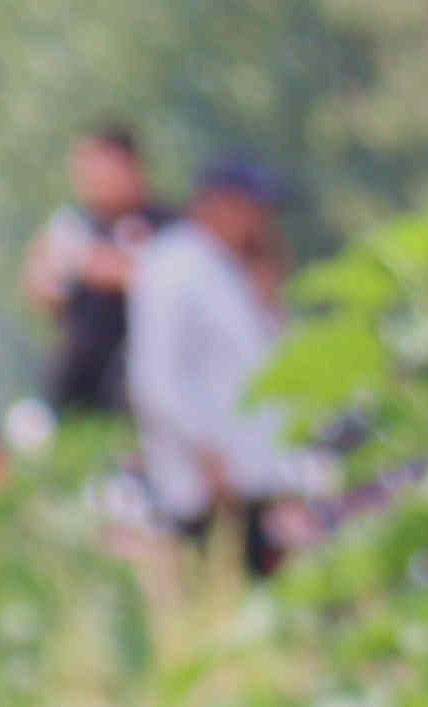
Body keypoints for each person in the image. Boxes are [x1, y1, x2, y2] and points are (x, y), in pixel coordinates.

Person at [126, 157, 327, 576]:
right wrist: (203, 450)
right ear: (220, 204)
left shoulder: (226, 267)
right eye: (254, 210)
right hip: (209, 482)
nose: (262, 223)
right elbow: (155, 378)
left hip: (250, 480)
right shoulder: (173, 266)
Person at [24, 127, 156, 433]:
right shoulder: (73, 224)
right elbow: (39, 285)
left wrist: (88, 261)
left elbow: (152, 277)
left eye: (98, 170)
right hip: (79, 387)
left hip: (139, 383)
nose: (89, 182)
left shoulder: (165, 224)